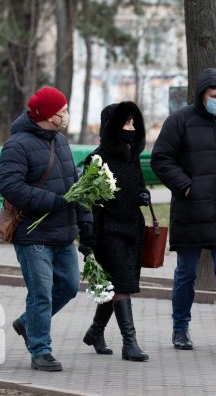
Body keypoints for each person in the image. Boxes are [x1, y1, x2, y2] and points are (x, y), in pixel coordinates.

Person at [151, 68, 216, 354]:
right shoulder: (180, 121)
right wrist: (186, 187)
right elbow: (161, 159)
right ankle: (180, 327)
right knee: (186, 273)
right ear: (202, 94)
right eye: (214, 96)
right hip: (190, 211)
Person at [0, 87, 94, 371]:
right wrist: (54, 202)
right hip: (33, 234)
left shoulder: (59, 141)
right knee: (41, 292)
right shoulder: (17, 145)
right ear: (48, 116)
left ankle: (27, 323)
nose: (66, 115)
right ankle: (40, 350)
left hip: (63, 232)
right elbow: (11, 187)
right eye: (62, 111)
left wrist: (85, 218)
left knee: (69, 286)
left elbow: (74, 185)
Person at [81, 102, 151, 362]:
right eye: (126, 123)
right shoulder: (96, 158)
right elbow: (87, 202)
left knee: (114, 285)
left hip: (132, 230)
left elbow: (139, 186)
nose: (131, 128)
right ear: (112, 126)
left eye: (133, 123)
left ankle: (96, 331)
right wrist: (88, 238)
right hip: (108, 233)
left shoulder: (131, 156)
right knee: (123, 285)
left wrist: (143, 194)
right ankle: (129, 343)